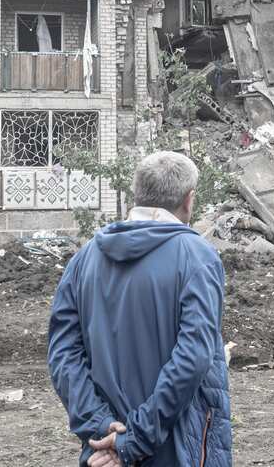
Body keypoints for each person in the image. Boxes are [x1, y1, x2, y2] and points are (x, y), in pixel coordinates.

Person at [48, 151, 232, 467]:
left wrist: (101, 425)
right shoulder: (197, 257)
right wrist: (134, 437)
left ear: (136, 195)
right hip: (176, 447)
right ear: (189, 200)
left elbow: (63, 354)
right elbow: (193, 357)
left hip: (103, 450)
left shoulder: (83, 259)